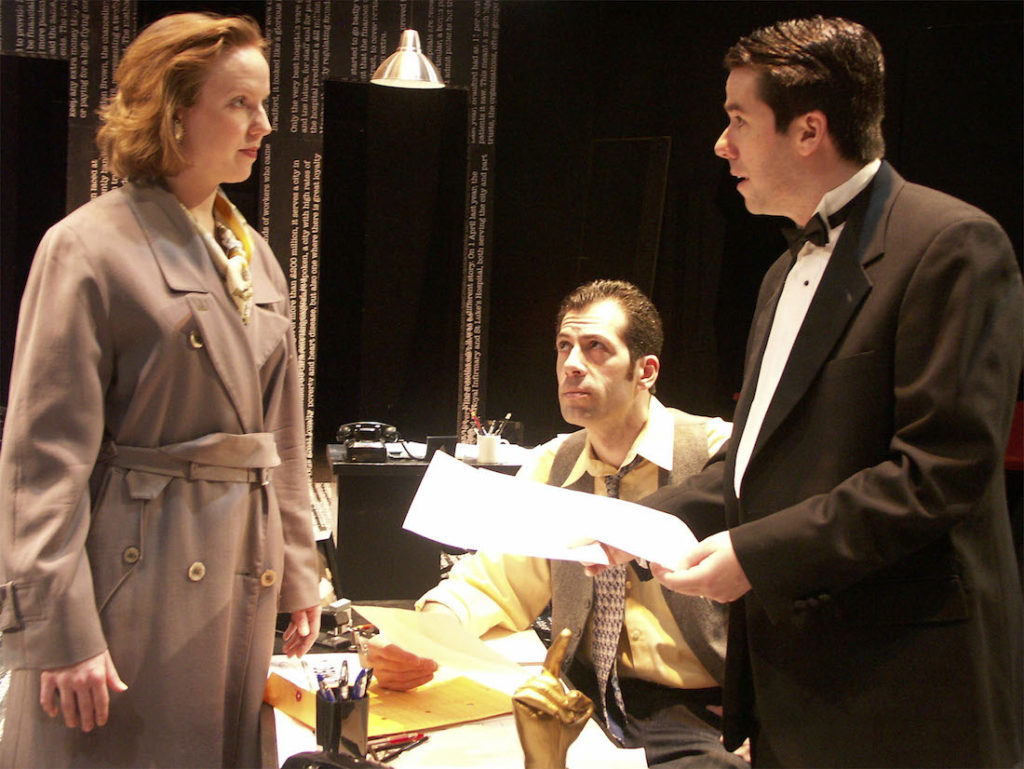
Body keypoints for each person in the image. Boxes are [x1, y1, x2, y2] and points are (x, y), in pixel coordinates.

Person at [629, 16, 1022, 768]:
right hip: (796, 688)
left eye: (739, 120)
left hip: (906, 694)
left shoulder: (952, 244)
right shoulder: (781, 273)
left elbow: (937, 475)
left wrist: (754, 555)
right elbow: (756, 463)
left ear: (809, 130)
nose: (721, 144)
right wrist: (637, 521)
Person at [0, 13, 321, 768]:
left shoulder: (254, 256)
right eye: (239, 103)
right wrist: (60, 630)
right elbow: (43, 461)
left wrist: (301, 569)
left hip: (239, 570)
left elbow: (282, 437)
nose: (263, 125)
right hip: (132, 577)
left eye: (264, 104)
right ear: (175, 113)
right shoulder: (87, 247)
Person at [368, 280, 748, 768]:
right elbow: (493, 581)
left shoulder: (720, 455)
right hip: (581, 696)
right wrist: (423, 638)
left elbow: (787, 590)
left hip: (699, 713)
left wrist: (771, 714)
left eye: (596, 348)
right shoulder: (552, 464)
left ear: (646, 371)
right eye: (564, 347)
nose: (572, 363)